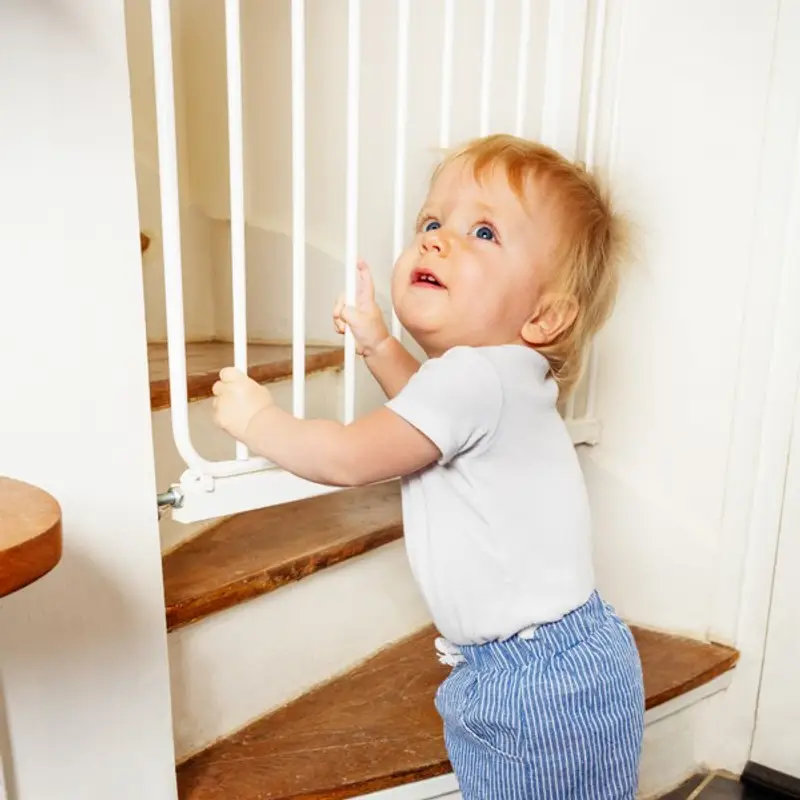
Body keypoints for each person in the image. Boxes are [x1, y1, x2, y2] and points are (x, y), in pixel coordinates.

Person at [211, 133, 645, 799]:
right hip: (572, 661)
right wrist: (379, 342)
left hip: (534, 687)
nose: (438, 239)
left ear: (545, 315)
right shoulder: (500, 379)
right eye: (432, 222)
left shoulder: (474, 378)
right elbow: (430, 415)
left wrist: (257, 421)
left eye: (483, 232)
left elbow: (352, 458)